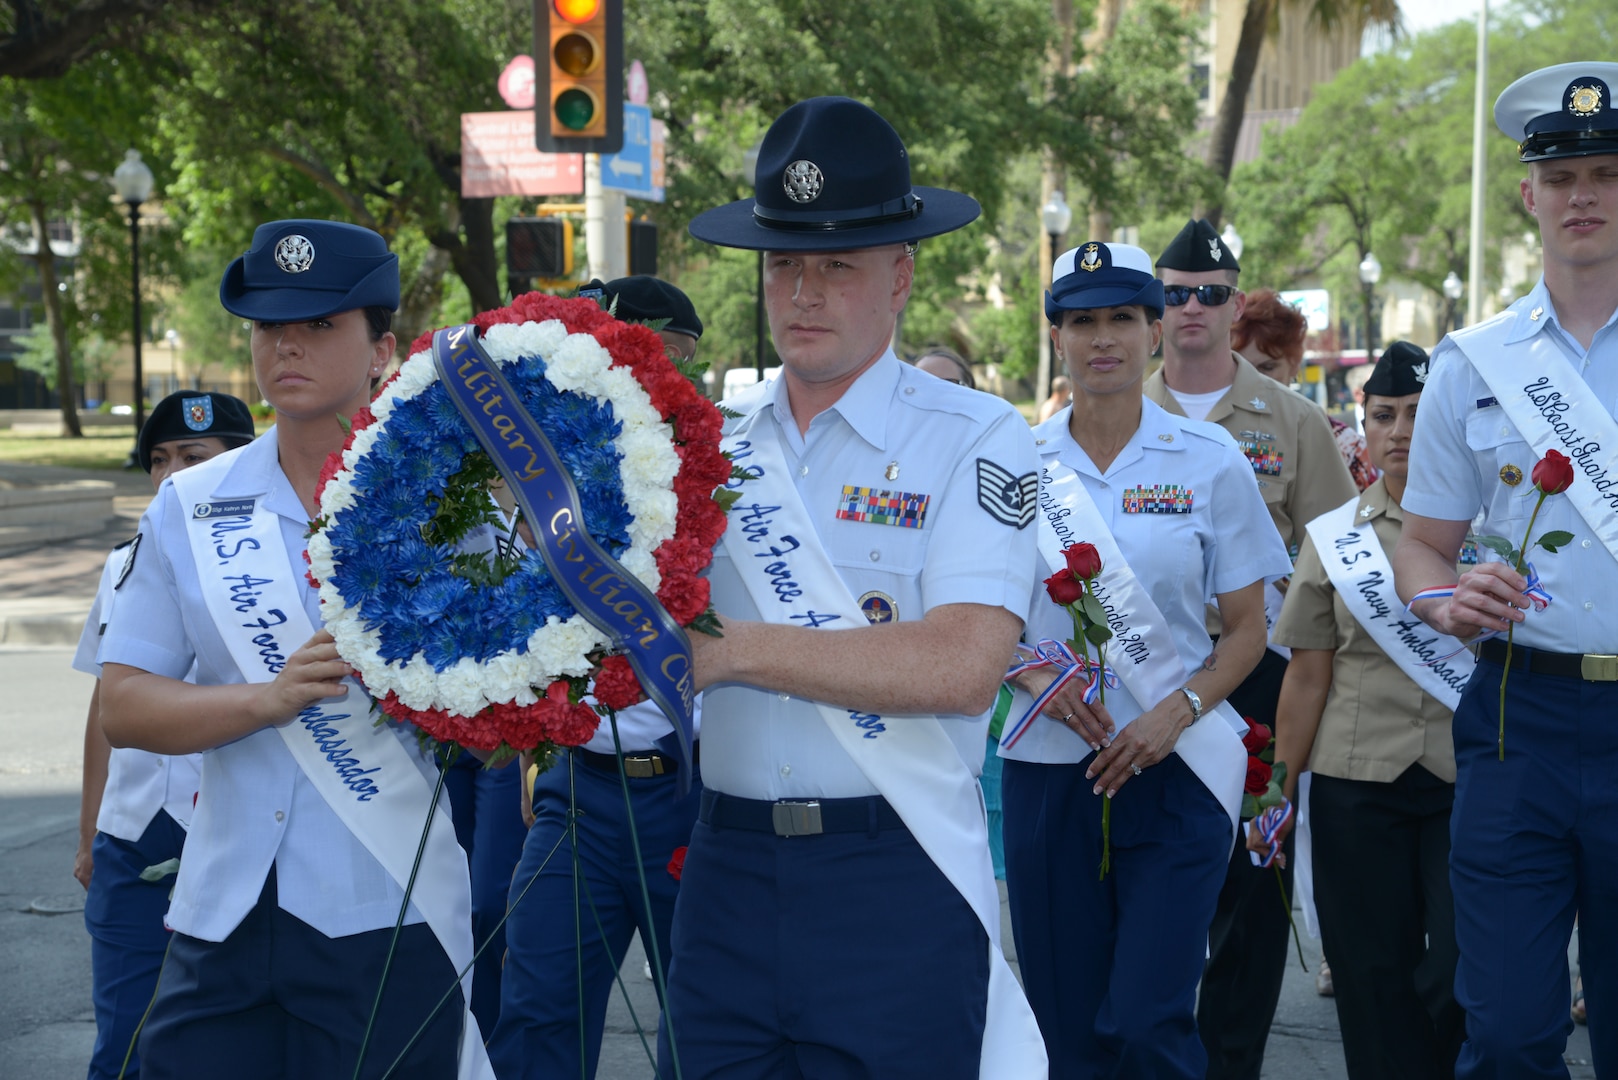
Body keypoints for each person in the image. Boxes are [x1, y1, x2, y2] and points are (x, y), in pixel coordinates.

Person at [662, 95, 1046, 1078]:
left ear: (901, 276)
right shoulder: (708, 446)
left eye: (837, 264)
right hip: (725, 876)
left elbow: (964, 665)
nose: (803, 290)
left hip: (894, 876)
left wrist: (733, 654)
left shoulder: (975, 436)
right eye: (784, 262)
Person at [98, 220, 491, 1079]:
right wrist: (265, 700)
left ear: (382, 347)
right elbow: (122, 705)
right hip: (220, 914)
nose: (287, 346)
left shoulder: (454, 501)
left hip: (385, 904)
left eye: (319, 325)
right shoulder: (189, 505)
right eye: (270, 326)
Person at [999, 240, 1290, 1078]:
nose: (1102, 339)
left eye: (1121, 318)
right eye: (1081, 320)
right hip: (1053, 771)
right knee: (1067, 1026)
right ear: (1055, 337)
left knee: (1151, 1020)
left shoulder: (1210, 462)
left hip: (1176, 773)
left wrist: (1180, 711)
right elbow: (972, 617)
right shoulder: (1014, 464)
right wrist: (1032, 675)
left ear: (1154, 331)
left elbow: (1247, 629)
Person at [1393, 61, 1618, 1079]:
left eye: (1607, 173)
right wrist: (1443, 603)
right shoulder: (1471, 363)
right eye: (1563, 176)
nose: (1584, 196)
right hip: (1513, 719)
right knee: (1510, 1033)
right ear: (1527, 195)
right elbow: (1421, 547)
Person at [1142, 217, 1358, 1080]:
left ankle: (1230, 1062)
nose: (1192, 307)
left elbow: (1341, 553)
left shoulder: (1293, 420)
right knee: (1149, 881)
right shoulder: (1118, 403)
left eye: (1212, 293)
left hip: (1261, 679)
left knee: (1252, 886)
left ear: (1236, 306)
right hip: (1142, 672)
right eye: (1174, 292)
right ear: (1153, 305)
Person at [486, 274, 706, 1080]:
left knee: (701, 1022)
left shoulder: (717, 477)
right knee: (539, 1004)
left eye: (665, 355)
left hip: (691, 793)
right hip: (579, 792)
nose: (646, 370)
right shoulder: (545, 478)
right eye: (621, 351)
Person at [1257, 342, 1465, 1078]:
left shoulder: (1497, 528)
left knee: (1460, 970)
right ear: (1364, 427)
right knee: (1370, 977)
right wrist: (1281, 787)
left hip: (1465, 781)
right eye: (1385, 416)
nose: (1402, 429)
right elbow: (1308, 675)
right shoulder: (1334, 538)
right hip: (1354, 784)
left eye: (1418, 413)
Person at [72, 391, 255, 1080]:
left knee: (230, 1041)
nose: (172, 474)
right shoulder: (124, 564)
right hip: (138, 834)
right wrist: (92, 830)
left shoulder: (284, 565)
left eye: (193, 457)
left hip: (236, 823)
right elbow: (105, 704)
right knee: (126, 1041)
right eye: (159, 459)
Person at [1234, 288, 1377, 492]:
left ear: (1294, 364)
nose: (1254, 378)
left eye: (1267, 367)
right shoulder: (1206, 433)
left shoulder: (1344, 445)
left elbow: (1360, 519)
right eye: (1241, 366)